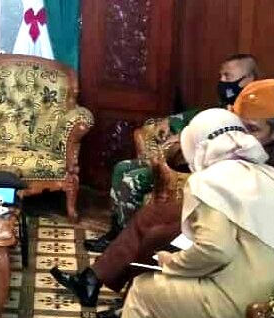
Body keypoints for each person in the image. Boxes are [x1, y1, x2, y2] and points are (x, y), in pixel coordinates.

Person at [94, 108, 274, 318]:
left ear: (196, 145)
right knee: (173, 294)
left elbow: (215, 249)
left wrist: (170, 263)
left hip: (250, 315)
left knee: (143, 290)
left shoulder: (211, 179)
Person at [52, 79, 274, 318]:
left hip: (241, 230)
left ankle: (132, 306)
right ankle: (91, 280)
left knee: (158, 237)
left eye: (252, 129)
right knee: (152, 213)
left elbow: (248, 206)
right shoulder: (248, 139)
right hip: (216, 208)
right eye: (241, 127)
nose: (243, 136)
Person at [84, 53, 259, 254]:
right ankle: (117, 235)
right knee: (122, 168)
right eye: (221, 76)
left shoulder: (253, 113)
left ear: (248, 79)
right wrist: (172, 121)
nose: (222, 81)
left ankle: (129, 245)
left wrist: (186, 137)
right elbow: (200, 115)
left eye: (228, 76)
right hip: (188, 161)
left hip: (206, 171)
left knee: (133, 179)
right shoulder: (227, 104)